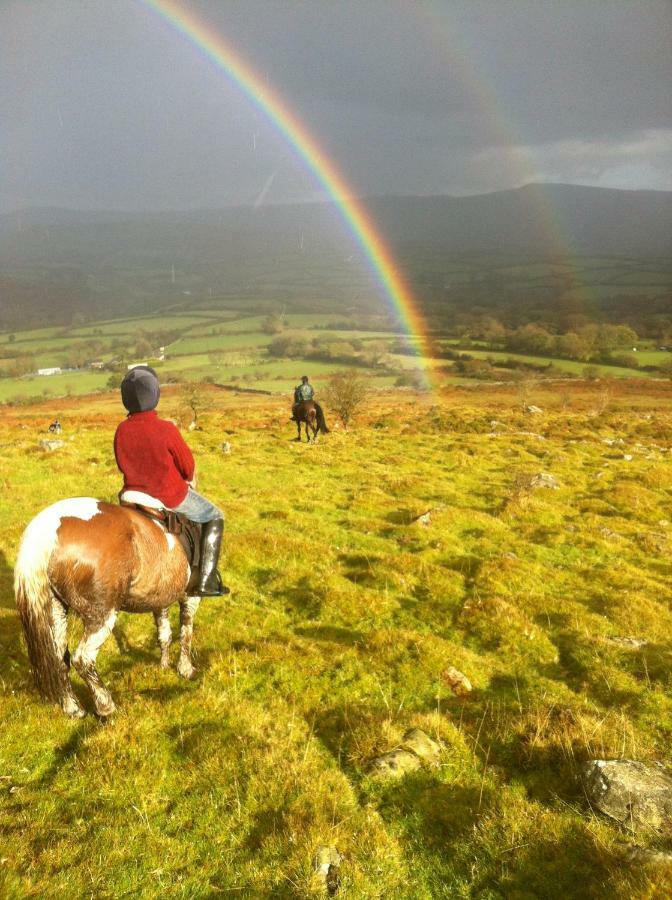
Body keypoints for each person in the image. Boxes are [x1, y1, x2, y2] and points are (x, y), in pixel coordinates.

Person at [113, 365, 229, 597]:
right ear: (154, 394)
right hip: (167, 495)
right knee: (215, 515)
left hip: (131, 495)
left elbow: (121, 463)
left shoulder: (121, 429)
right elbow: (187, 466)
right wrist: (184, 478)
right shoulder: (165, 428)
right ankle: (206, 581)